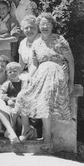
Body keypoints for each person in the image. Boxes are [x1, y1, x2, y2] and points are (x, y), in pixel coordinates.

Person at [16, 13, 75, 148]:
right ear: (39, 27)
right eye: (42, 24)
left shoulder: (59, 40)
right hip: (41, 74)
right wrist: (30, 76)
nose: (45, 27)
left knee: (46, 97)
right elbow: (35, 64)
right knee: (22, 96)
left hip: (57, 72)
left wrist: (71, 82)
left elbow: (71, 61)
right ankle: (27, 128)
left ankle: (47, 136)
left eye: (48, 24)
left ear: (52, 26)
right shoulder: (36, 43)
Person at [0, 61, 27, 137]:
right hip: (10, 105)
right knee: (13, 112)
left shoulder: (23, 83)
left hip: (20, 104)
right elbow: (1, 95)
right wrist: (8, 100)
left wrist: (17, 100)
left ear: (20, 72)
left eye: (15, 71)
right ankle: (12, 128)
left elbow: (25, 94)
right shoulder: (7, 84)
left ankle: (23, 130)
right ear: (7, 73)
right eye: (10, 72)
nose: (12, 73)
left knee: (20, 111)